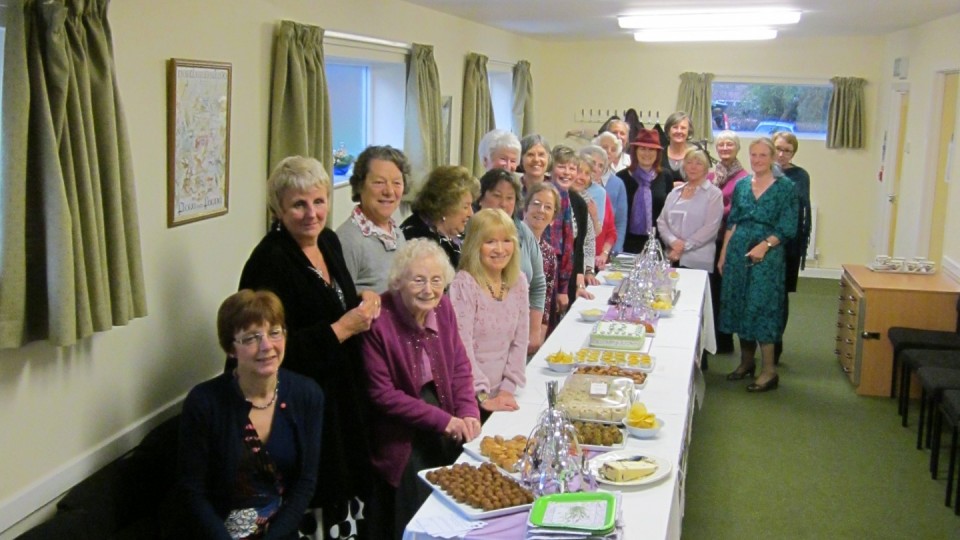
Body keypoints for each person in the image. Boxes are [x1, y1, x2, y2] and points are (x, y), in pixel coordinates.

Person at [238, 156, 379, 539]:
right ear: (278, 210)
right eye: (298, 204)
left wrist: (363, 300)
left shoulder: (328, 241)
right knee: (312, 508)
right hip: (298, 408)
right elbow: (265, 349)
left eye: (318, 201)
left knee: (348, 504)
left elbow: (336, 301)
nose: (311, 213)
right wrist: (341, 328)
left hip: (340, 396)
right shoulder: (269, 262)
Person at [179, 290, 324, 540]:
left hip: (280, 533)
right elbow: (193, 492)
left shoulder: (307, 395)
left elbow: (305, 483)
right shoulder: (204, 403)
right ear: (230, 349)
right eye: (251, 338)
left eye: (274, 332)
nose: (267, 346)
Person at [362, 239, 481, 539]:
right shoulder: (379, 321)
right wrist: (445, 421)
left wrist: (468, 410)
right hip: (400, 433)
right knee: (419, 510)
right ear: (398, 281)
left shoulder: (443, 307)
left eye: (436, 280)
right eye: (418, 280)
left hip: (445, 413)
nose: (429, 289)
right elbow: (382, 395)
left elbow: (459, 365)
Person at [718, 138, 798, 393]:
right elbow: (733, 222)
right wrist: (723, 254)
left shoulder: (786, 188)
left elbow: (788, 226)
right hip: (738, 251)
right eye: (754, 155)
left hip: (768, 254)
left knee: (761, 307)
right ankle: (746, 362)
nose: (757, 160)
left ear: (773, 157)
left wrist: (765, 245)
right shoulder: (742, 185)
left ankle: (769, 371)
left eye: (763, 155)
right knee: (741, 304)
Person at [449, 209, 530, 419]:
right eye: (490, 242)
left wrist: (507, 389)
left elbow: (520, 341)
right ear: (475, 245)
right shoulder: (464, 284)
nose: (500, 249)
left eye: (506, 240)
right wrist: (483, 396)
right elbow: (461, 345)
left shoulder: (518, 281)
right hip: (469, 399)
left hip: (506, 394)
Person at [475, 166, 546, 355]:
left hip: (518, 333)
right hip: (480, 338)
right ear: (481, 198)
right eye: (497, 196)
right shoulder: (469, 233)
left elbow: (538, 284)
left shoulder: (523, 232)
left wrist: (534, 331)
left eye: (510, 198)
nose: (503, 204)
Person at [336, 145, 409, 293]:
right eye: (379, 182)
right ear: (359, 186)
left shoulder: (397, 233)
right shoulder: (347, 240)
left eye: (396, 183)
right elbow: (341, 304)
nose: (389, 191)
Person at [708, 131, 750, 355]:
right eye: (721, 144)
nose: (725, 148)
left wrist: (715, 208)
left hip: (730, 239)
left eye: (729, 144)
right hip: (709, 238)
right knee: (711, 290)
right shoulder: (711, 174)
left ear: (737, 148)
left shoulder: (744, 178)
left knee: (725, 290)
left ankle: (724, 342)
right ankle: (709, 338)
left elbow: (738, 210)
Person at [773, 131, 813, 364]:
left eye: (787, 150)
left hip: (789, 245)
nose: (781, 154)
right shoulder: (762, 172)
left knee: (781, 296)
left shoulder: (800, 176)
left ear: (793, 153)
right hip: (763, 244)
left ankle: (776, 344)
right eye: (777, 149)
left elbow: (796, 206)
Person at [548, 146, 596, 319]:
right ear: (551, 167)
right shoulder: (543, 196)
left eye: (572, 168)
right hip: (544, 276)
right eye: (562, 166)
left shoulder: (578, 203)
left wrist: (579, 283)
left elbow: (579, 247)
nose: (567, 172)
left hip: (567, 278)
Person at [657, 148, 723, 270]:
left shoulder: (714, 194)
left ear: (705, 168)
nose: (693, 167)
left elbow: (710, 228)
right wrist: (673, 242)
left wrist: (683, 247)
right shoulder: (675, 192)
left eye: (699, 163)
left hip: (697, 260)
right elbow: (661, 221)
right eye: (689, 162)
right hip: (671, 257)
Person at [400, 165, 479, 268]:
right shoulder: (418, 237)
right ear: (445, 206)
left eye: (471, 205)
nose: (471, 213)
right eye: (465, 207)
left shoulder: (459, 234)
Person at [616, 128, 671, 254]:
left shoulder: (665, 176)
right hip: (626, 245)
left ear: (658, 153)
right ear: (635, 151)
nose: (647, 153)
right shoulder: (621, 178)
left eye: (651, 149)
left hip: (657, 245)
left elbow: (669, 214)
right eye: (642, 148)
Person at [523, 183, 562, 339]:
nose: (541, 210)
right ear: (525, 209)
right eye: (536, 204)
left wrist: (539, 330)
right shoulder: (509, 242)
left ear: (553, 218)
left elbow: (546, 296)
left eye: (548, 207)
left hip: (533, 324)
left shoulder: (549, 253)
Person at [575, 147, 617, 269]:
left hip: (592, 258)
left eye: (600, 166)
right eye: (593, 163)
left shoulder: (601, 194)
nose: (595, 169)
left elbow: (608, 231)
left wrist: (603, 254)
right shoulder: (568, 190)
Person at [592, 132, 628, 254]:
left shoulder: (618, 184)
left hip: (609, 250)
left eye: (613, 149)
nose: (608, 152)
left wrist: (615, 250)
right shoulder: (581, 180)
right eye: (604, 147)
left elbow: (620, 222)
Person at [662, 111, 696, 186]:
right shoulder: (659, 155)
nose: (679, 131)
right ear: (668, 130)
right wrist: (671, 186)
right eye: (675, 127)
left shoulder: (695, 156)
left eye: (683, 128)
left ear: (688, 132)